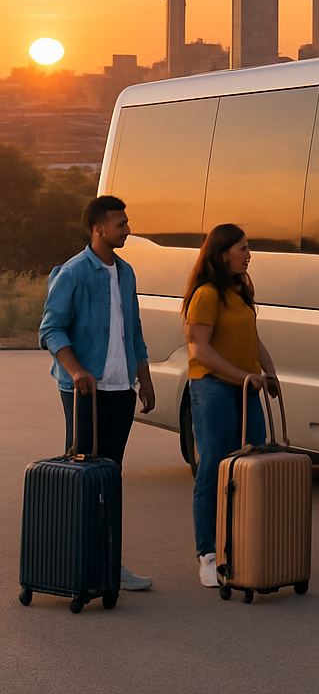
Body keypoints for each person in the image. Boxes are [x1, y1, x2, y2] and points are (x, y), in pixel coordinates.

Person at [38, 194, 156, 592]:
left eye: (127, 221)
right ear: (98, 229)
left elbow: (133, 330)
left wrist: (145, 377)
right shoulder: (73, 272)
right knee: (83, 478)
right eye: (121, 224)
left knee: (111, 476)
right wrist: (77, 371)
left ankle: (109, 562)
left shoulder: (126, 273)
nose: (127, 229)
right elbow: (51, 329)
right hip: (83, 391)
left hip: (121, 389)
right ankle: (75, 561)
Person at [182, 224, 280, 588]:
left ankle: (239, 546)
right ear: (222, 253)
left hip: (245, 388)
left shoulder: (238, 293)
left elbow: (252, 338)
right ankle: (208, 554)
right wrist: (243, 376)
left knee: (252, 466)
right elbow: (200, 350)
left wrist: (269, 373)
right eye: (242, 248)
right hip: (214, 389)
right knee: (213, 468)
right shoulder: (206, 294)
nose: (248, 254)